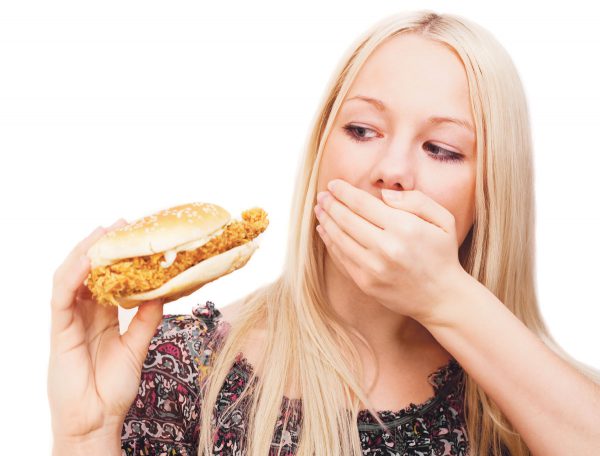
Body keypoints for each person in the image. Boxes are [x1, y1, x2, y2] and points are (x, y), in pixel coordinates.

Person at [47, 9, 600, 456]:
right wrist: (85, 437)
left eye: (442, 149)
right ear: (321, 154)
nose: (392, 168)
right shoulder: (186, 366)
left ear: (491, 194)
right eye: (362, 129)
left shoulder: (541, 402)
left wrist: (446, 296)